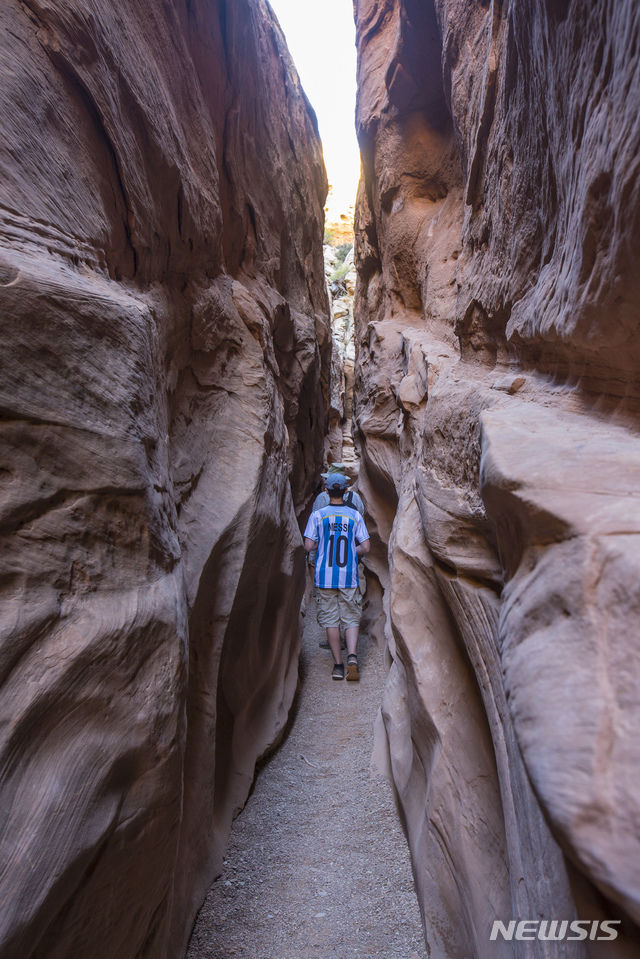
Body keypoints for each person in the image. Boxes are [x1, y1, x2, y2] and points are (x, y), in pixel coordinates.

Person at [304, 473, 370, 681]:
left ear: (326, 491)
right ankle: (352, 656)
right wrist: (352, 549)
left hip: (324, 576)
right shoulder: (354, 515)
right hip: (348, 575)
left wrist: (320, 545)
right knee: (351, 617)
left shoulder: (318, 515)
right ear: (345, 491)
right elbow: (366, 547)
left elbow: (308, 545)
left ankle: (338, 666)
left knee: (331, 620)